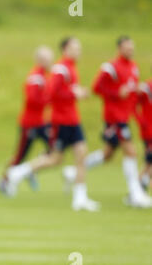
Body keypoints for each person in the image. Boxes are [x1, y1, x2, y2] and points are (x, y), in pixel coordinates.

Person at [0, 37, 100, 212]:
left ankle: (80, 198)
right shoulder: (60, 69)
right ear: (65, 49)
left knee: (80, 155)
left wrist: (75, 93)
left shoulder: (70, 67)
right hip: (60, 120)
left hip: (73, 119)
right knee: (55, 158)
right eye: (75, 48)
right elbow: (51, 93)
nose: (79, 51)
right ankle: (17, 173)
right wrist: (74, 94)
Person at [62, 36, 151, 208]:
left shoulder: (134, 68)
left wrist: (135, 104)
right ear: (119, 48)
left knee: (108, 154)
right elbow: (97, 88)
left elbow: (132, 95)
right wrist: (117, 92)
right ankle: (135, 194)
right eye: (127, 47)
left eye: (132, 48)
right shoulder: (110, 67)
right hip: (113, 117)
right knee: (131, 151)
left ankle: (73, 172)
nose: (130, 50)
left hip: (124, 117)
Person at [0, 46, 54, 193]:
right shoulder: (35, 77)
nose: (51, 61)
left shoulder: (45, 76)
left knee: (54, 150)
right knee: (20, 156)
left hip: (42, 122)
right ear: (40, 60)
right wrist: (50, 99)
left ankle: (29, 170)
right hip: (30, 123)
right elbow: (32, 99)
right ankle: (4, 181)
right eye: (48, 58)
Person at [134, 77, 152, 195]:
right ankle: (137, 190)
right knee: (149, 160)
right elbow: (133, 105)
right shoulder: (146, 88)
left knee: (149, 162)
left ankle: (139, 188)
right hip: (149, 130)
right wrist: (142, 122)